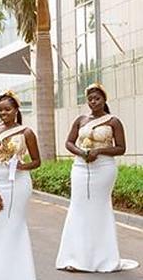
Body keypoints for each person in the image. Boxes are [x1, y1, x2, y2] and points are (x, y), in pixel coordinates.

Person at [56, 83, 139, 272]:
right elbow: (69, 142)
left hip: (103, 169)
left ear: (104, 99)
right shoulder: (81, 120)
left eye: (97, 98)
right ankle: (75, 257)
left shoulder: (113, 121)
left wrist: (99, 151)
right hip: (80, 167)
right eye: (90, 99)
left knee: (98, 209)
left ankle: (102, 258)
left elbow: (121, 148)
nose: (93, 102)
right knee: (78, 207)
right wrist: (81, 152)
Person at [0, 91, 41, 280]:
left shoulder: (26, 133)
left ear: (16, 110)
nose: (3, 113)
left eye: (7, 109)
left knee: (15, 225)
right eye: (0, 110)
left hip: (19, 184)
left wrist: (22, 166)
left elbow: (37, 161)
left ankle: (18, 274)